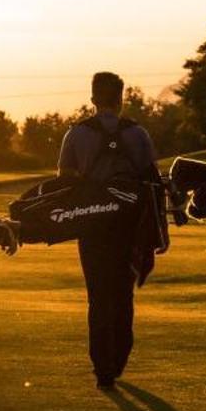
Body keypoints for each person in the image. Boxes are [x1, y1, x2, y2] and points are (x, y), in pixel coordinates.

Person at [58, 71, 162, 389]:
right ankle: (119, 358)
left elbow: (64, 180)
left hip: (92, 224)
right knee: (123, 293)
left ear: (92, 99)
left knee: (98, 296)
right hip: (128, 225)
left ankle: (102, 368)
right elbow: (152, 180)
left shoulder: (76, 134)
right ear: (121, 98)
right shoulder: (138, 134)